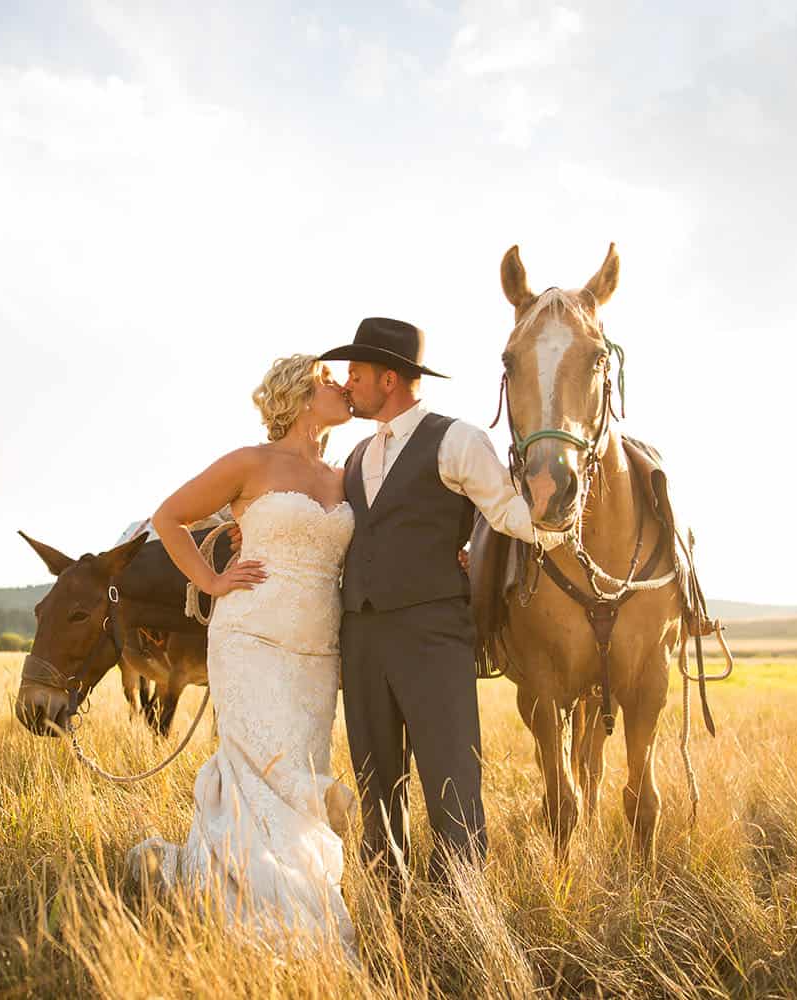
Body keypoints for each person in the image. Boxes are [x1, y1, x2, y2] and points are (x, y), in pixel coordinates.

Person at [317, 317, 559, 896]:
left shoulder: (456, 439)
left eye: (356, 374)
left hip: (432, 634)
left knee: (451, 779)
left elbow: (508, 515)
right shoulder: (354, 455)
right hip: (362, 638)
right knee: (377, 783)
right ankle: (389, 908)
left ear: (391, 379)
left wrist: (553, 517)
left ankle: (463, 917)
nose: (348, 385)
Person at [126, 354, 359, 957]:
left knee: (300, 782)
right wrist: (210, 580)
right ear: (305, 396)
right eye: (330, 380)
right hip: (249, 639)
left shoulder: (344, 477)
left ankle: (275, 880)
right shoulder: (250, 462)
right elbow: (169, 517)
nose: (344, 387)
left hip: (317, 652)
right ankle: (269, 912)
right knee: (261, 775)